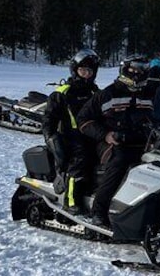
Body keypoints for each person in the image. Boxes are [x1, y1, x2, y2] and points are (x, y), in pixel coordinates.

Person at [77, 55, 160, 227]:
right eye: (134, 69)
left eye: (142, 70)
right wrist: (105, 134)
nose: (138, 73)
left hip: (144, 141)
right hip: (112, 142)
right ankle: (99, 210)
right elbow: (83, 120)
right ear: (125, 69)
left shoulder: (150, 94)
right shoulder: (108, 93)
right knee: (121, 160)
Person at [41, 48, 101, 215]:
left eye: (90, 71)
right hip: (71, 137)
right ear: (75, 70)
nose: (86, 74)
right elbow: (48, 119)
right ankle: (71, 200)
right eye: (83, 70)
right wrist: (51, 138)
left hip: (93, 134)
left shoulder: (95, 92)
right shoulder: (63, 93)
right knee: (80, 160)